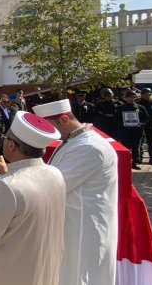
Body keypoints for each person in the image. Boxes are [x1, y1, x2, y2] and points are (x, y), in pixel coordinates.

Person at [0, 111, 65, 285]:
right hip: (42, 267)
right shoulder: (55, 173)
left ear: (11, 145)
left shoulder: (5, 187)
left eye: (6, 138)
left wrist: (3, 179)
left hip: (12, 272)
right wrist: (7, 173)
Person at [34, 99, 118, 285]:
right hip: (74, 223)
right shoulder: (74, 139)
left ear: (63, 119)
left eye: (49, 127)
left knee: (79, 275)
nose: (49, 134)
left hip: (83, 228)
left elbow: (54, 185)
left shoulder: (89, 147)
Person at [116, 91, 149, 170]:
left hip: (136, 131)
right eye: (129, 97)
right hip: (125, 131)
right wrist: (123, 123)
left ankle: (134, 163)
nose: (131, 99)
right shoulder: (121, 108)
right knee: (125, 148)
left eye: (133, 97)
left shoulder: (140, 107)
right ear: (126, 98)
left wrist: (141, 123)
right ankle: (125, 164)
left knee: (136, 148)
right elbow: (116, 119)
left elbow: (146, 118)